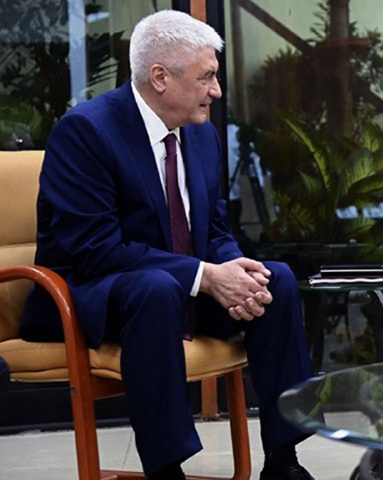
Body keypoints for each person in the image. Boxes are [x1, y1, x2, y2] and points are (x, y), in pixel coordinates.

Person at [20, 10, 315, 480]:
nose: (216, 91)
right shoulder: (86, 132)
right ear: (160, 77)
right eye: (207, 77)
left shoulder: (201, 134)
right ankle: (166, 471)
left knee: (272, 279)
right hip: (97, 295)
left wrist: (231, 269)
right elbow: (94, 249)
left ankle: (284, 461)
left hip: (175, 289)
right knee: (156, 289)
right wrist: (204, 276)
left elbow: (213, 230)